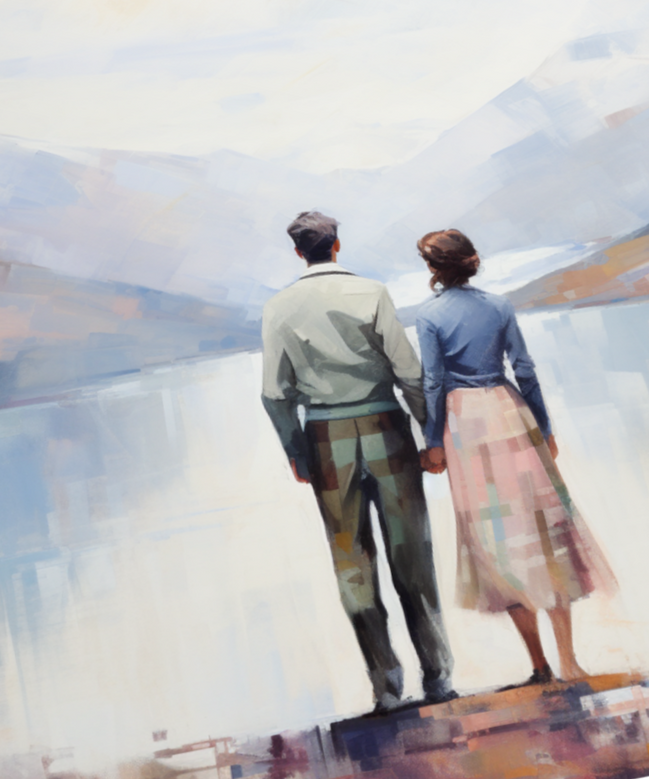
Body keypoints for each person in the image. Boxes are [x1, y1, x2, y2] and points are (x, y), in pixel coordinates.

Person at [260, 210, 455, 714]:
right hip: (387, 430)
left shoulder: (278, 308)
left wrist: (295, 451)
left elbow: (274, 393)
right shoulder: (372, 293)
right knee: (412, 556)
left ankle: (386, 687)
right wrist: (430, 435)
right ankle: (436, 679)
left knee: (352, 565)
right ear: (337, 245)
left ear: (299, 252)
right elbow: (409, 372)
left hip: (325, 438)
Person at [410, 229, 613, 687]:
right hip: (509, 413)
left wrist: (432, 440)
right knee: (544, 534)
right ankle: (570, 661)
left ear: (434, 268)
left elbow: (434, 384)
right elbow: (524, 368)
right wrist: (544, 426)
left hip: (466, 427)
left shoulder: (429, 316)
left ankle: (539, 665)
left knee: (497, 540)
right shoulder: (498, 306)